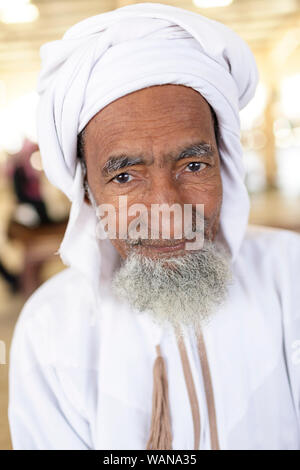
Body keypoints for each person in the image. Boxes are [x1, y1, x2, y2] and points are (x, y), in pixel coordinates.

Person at [8, 3, 300, 450]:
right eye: (125, 176)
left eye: (194, 164)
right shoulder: (50, 331)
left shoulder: (290, 277)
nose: (166, 205)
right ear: (88, 193)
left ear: (225, 166)